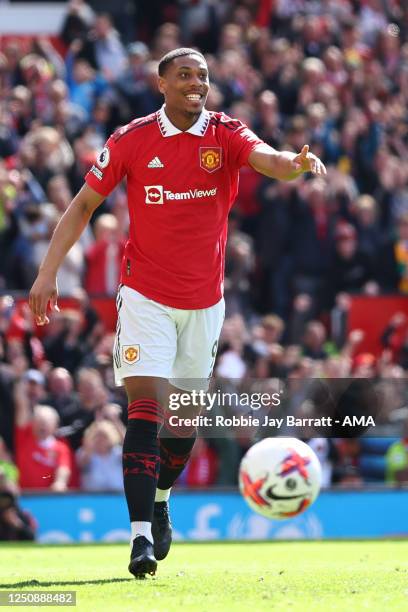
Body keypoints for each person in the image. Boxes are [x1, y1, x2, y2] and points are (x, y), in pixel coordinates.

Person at [29, 47, 326, 577]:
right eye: (184, 75)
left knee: (184, 422)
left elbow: (269, 160)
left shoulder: (225, 133)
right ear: (160, 83)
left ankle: (162, 498)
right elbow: (82, 206)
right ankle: (139, 539)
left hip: (205, 304)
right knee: (144, 408)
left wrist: (295, 165)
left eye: (203, 76)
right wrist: (48, 271)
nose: (196, 83)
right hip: (144, 295)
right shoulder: (131, 139)